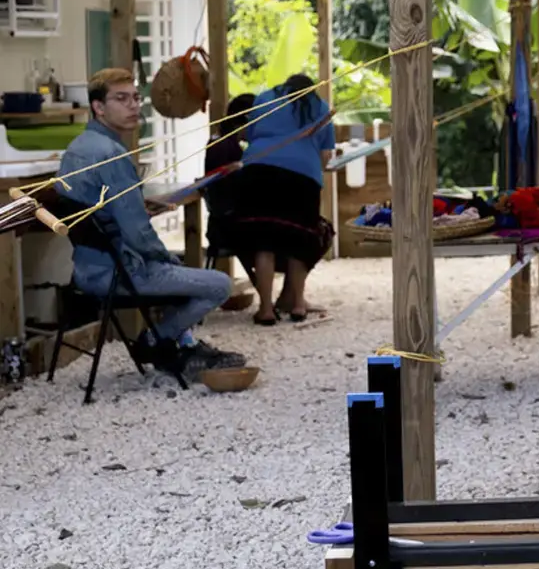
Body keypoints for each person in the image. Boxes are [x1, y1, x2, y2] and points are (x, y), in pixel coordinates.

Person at [55, 68, 243, 378]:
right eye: (121, 99)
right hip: (118, 274)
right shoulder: (112, 155)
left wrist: (137, 211)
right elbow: (138, 236)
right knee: (219, 284)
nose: (133, 106)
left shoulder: (77, 149)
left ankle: (179, 345)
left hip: (86, 270)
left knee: (176, 268)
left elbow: (99, 213)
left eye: (135, 98)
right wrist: (166, 258)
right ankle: (155, 340)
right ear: (98, 107)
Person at [235, 74, 336, 325]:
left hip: (259, 171)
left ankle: (266, 309)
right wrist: (310, 166)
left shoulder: (265, 98)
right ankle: (298, 305)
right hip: (303, 178)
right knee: (299, 242)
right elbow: (326, 154)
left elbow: (249, 135)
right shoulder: (320, 107)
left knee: (264, 243)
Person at [203, 92, 255, 262]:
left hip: (223, 225)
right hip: (230, 228)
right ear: (247, 119)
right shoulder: (224, 145)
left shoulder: (223, 140)